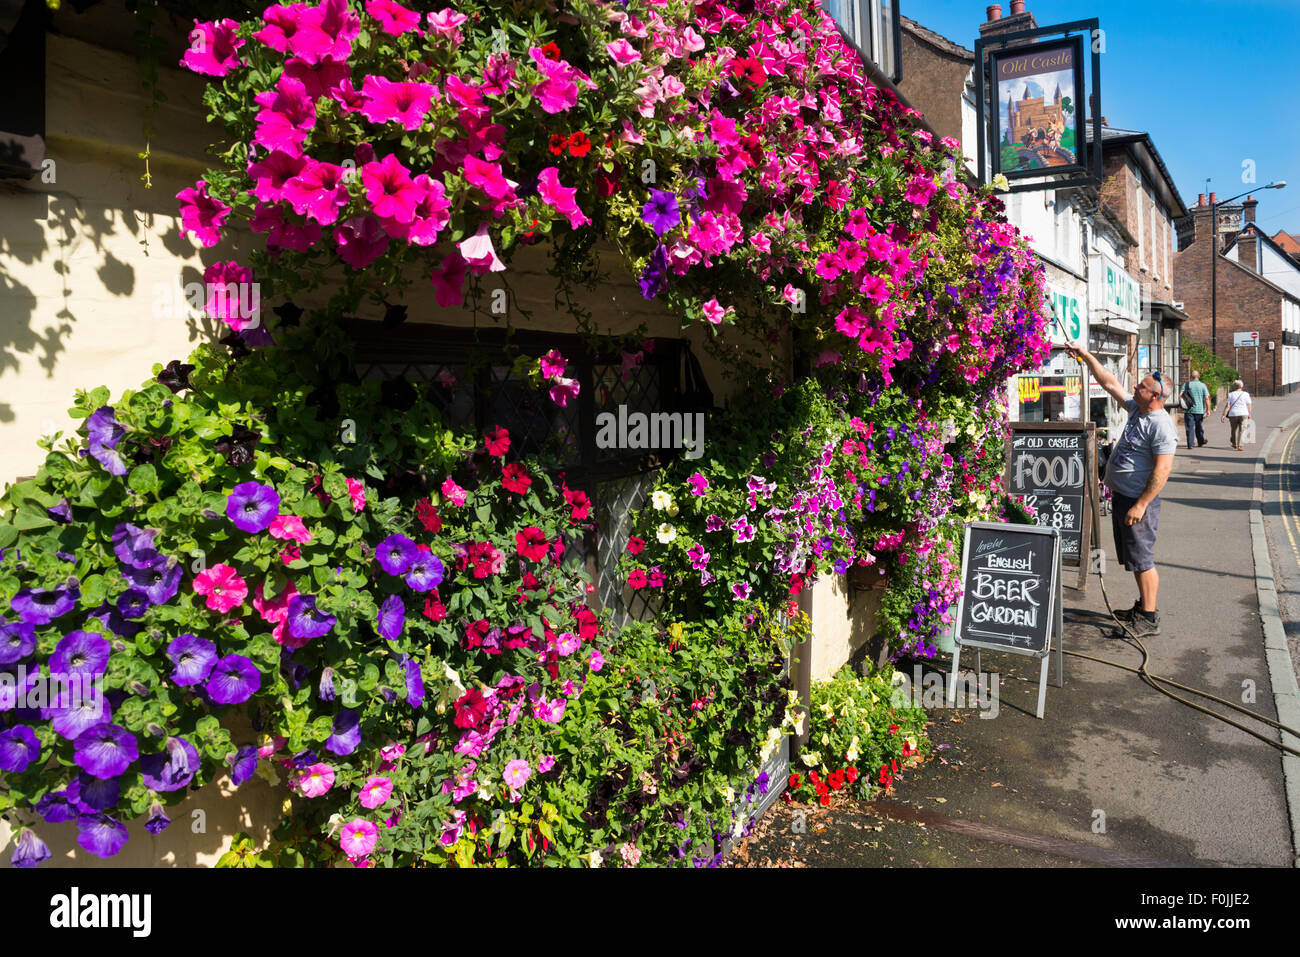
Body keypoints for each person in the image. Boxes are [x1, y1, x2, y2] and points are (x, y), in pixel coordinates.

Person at [1066, 343, 1177, 637]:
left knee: (1142, 559)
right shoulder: (1136, 410)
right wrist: (1086, 356)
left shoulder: (1161, 425)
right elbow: (1109, 382)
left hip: (1138, 501)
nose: (1135, 387)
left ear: (1156, 396)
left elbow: (1163, 470)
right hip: (1124, 496)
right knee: (1133, 557)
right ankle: (1142, 608)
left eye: (1141, 386)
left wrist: (1141, 505)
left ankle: (1149, 617)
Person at [1180, 371, 1210, 448]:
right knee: (1199, 426)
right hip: (1199, 410)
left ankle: (1190, 444)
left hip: (1188, 410)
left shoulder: (1186, 385)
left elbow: (1180, 396)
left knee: (1189, 427)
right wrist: (1208, 410)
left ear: (1191, 377)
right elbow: (1206, 398)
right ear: (1198, 377)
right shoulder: (1203, 385)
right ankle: (1200, 441)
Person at [1221, 380, 1252, 451]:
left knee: (1234, 429)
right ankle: (1240, 445)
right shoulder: (1246, 394)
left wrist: (1223, 415)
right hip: (1243, 413)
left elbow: (1228, 406)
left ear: (1234, 386)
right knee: (1242, 430)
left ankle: (1235, 444)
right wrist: (1249, 414)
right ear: (1242, 386)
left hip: (1233, 414)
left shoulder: (1231, 394)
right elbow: (1249, 405)